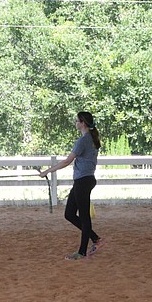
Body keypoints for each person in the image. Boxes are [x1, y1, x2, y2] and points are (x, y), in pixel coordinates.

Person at [38, 111, 103, 260]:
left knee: (84, 217)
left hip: (83, 181)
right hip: (85, 180)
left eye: (77, 121)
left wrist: (47, 171)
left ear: (83, 123)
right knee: (69, 214)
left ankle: (81, 252)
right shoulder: (92, 139)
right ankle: (96, 239)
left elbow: (67, 161)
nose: (75, 123)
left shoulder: (82, 141)